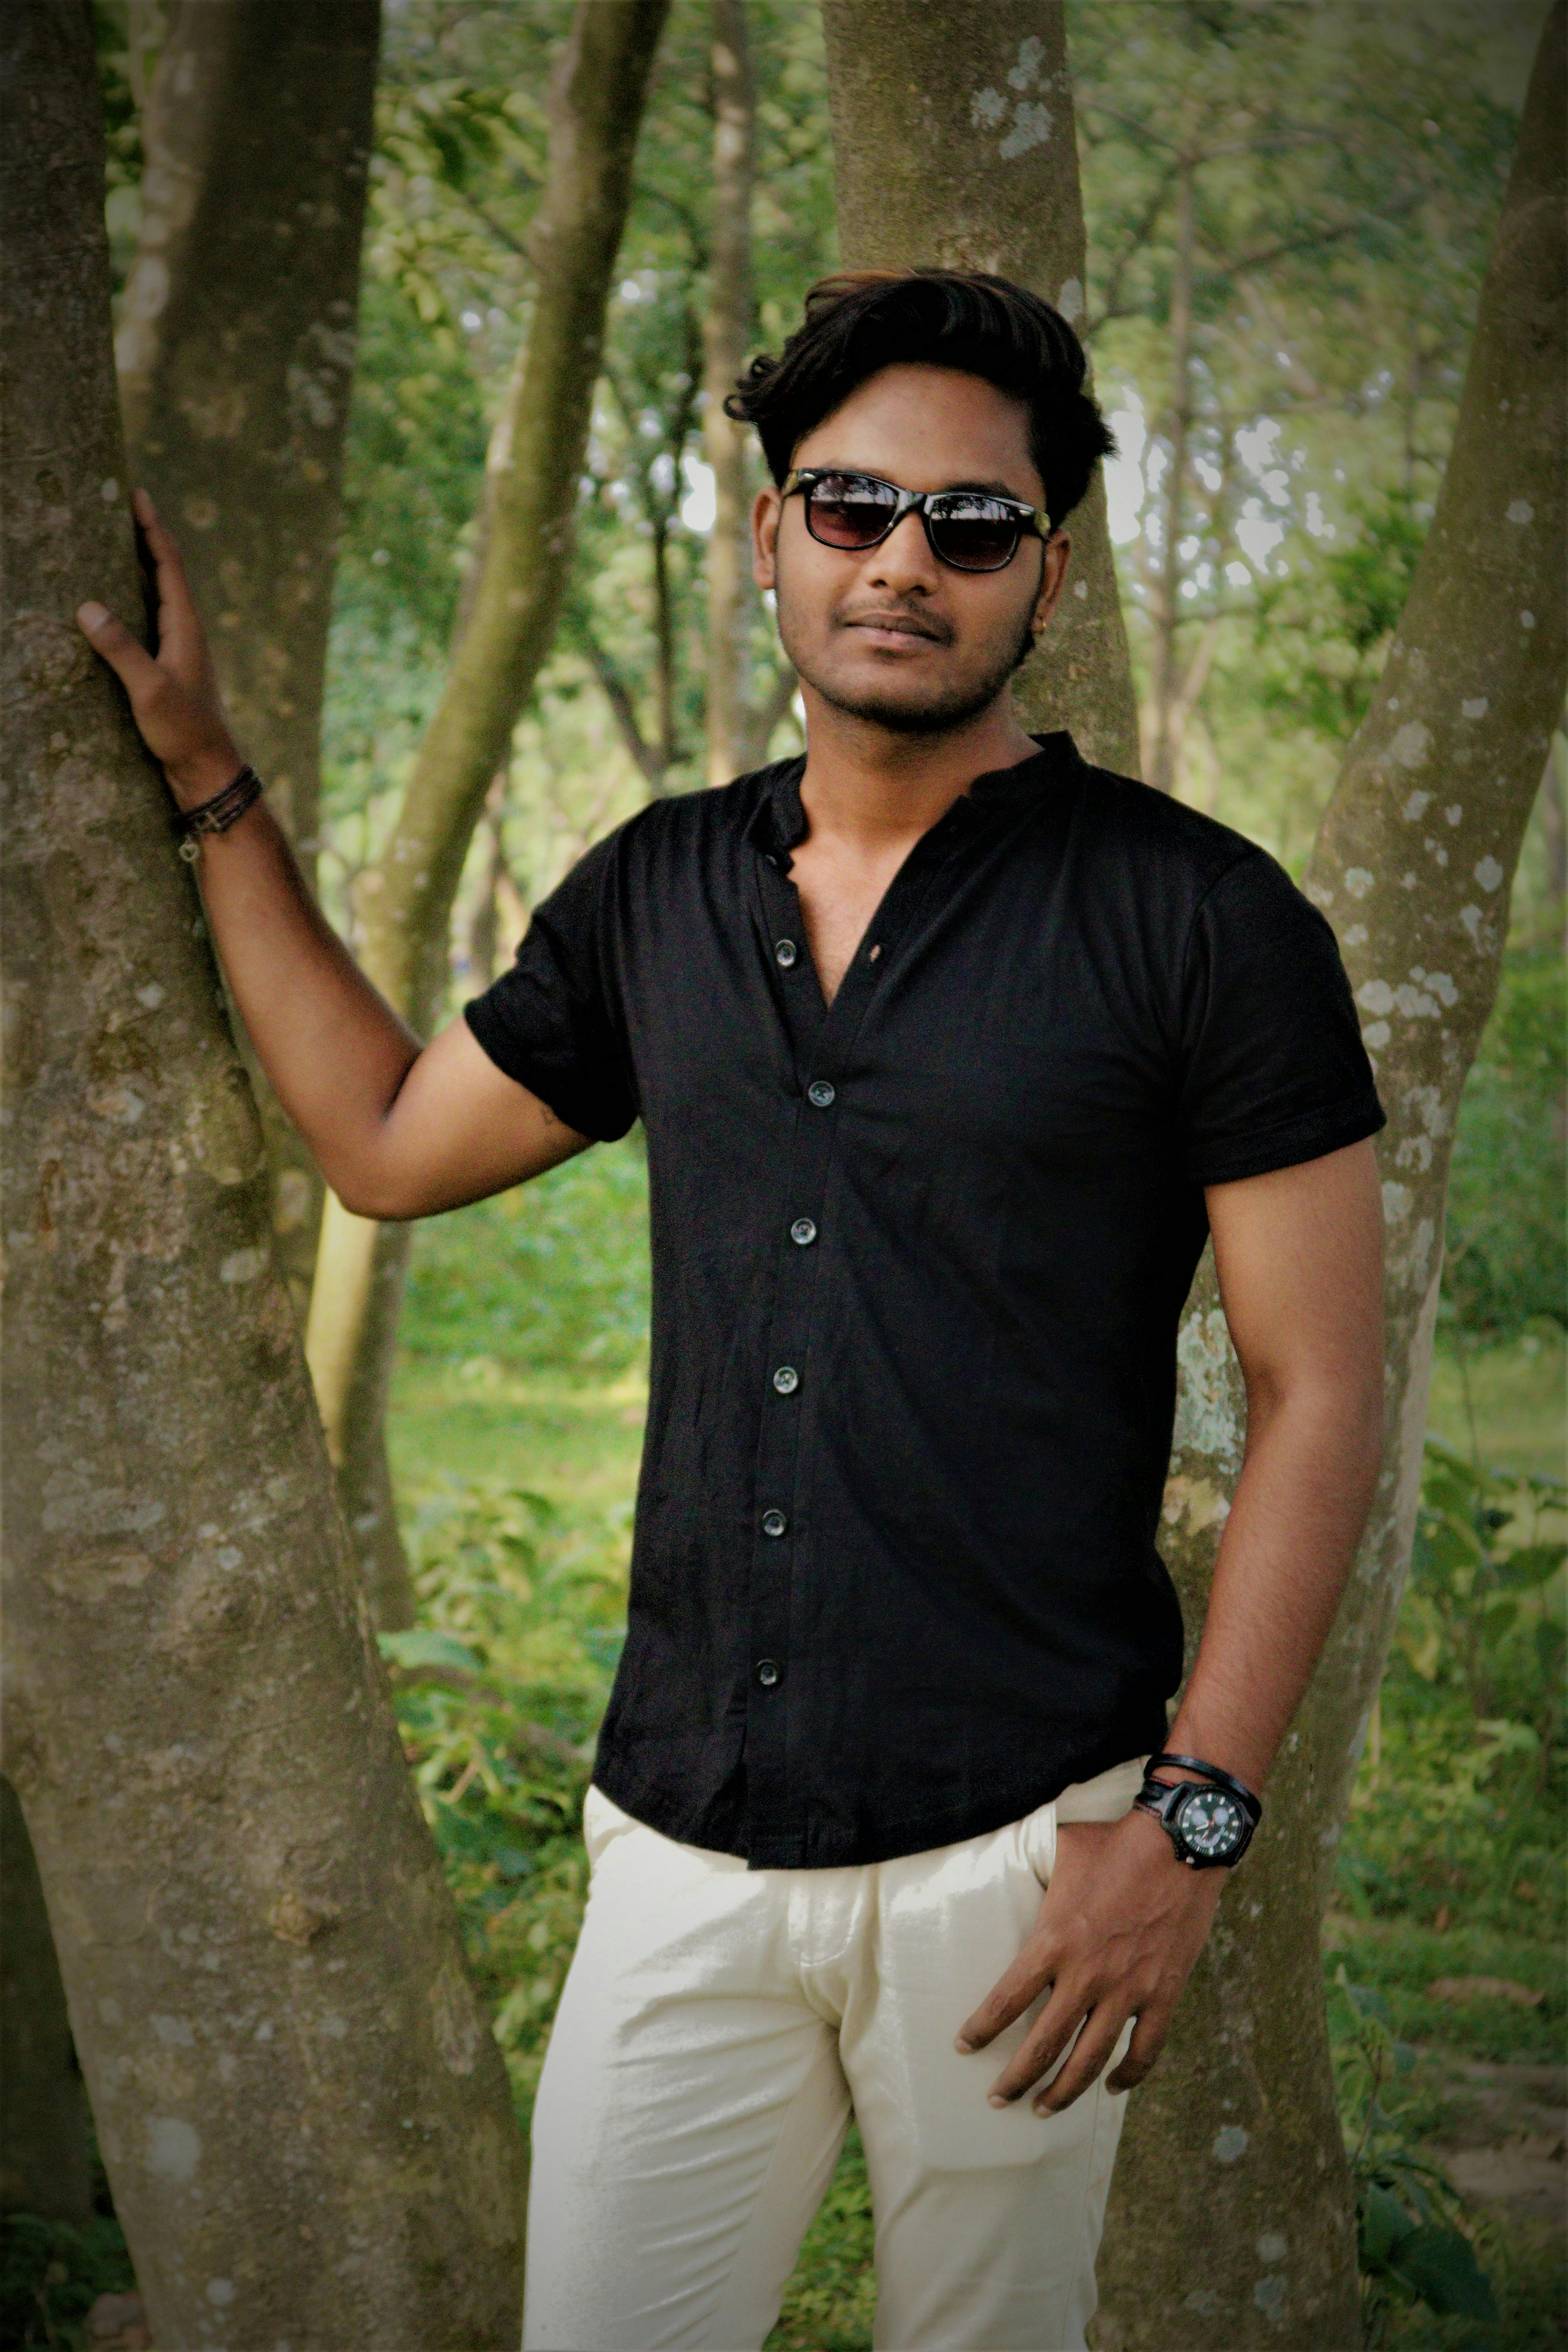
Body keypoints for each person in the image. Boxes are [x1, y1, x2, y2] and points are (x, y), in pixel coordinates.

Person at [79, 269, 1386, 2352]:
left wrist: (1192, 1826)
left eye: (970, 526)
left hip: (1028, 1850)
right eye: (852, 507)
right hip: (683, 1843)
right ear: (772, 530)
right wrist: (214, 779)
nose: (902, 564)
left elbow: (1326, 1392)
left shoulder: (1201, 921)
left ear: (1045, 570)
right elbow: (394, 1143)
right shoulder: (654, 893)